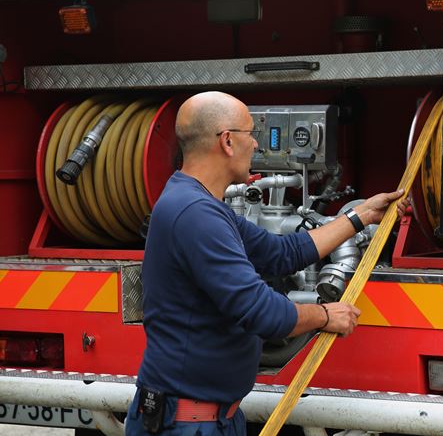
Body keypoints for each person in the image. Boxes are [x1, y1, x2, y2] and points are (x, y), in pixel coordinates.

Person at [125, 91, 407, 436]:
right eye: (250, 133)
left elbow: (282, 253)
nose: (257, 144)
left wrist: (360, 216)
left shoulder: (199, 204)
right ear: (227, 141)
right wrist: (325, 316)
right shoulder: (195, 215)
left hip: (209, 419)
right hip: (186, 424)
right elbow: (262, 313)